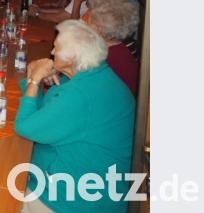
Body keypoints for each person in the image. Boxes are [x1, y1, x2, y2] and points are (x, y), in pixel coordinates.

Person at [14, 20, 134, 213]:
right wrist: (31, 82)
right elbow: (45, 114)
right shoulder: (95, 76)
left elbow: (25, 127)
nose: (52, 52)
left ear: (71, 57)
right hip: (95, 190)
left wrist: (35, 79)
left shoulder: (80, 94)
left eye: (56, 47)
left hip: (72, 200)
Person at [89, 0, 140, 96]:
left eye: (91, 23)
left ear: (100, 29)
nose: (87, 26)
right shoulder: (119, 48)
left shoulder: (107, 57)